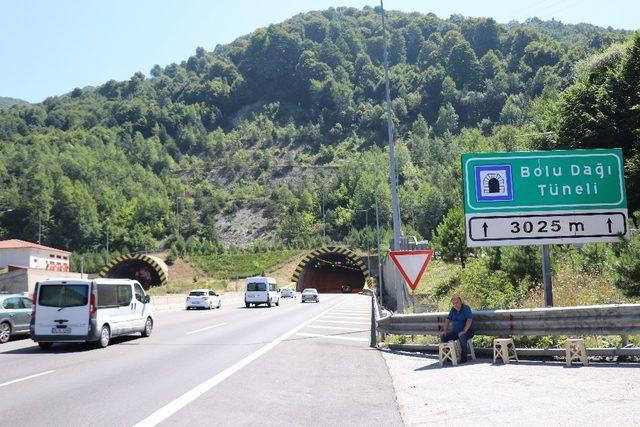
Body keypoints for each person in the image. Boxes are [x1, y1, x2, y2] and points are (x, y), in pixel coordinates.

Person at [440, 295, 474, 363]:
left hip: (468, 331)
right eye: (454, 303)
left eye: (457, 302)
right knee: (444, 336)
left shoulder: (466, 308)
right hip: (455, 332)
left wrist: (464, 331)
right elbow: (447, 320)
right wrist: (445, 331)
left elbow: (469, 319)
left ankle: (464, 358)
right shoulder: (453, 309)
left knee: (462, 336)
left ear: (460, 301)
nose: (455, 304)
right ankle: (449, 356)